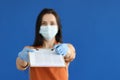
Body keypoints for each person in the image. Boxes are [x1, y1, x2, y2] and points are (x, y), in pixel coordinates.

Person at [16, 8, 76, 80]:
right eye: (44, 24)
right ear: (39, 27)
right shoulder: (31, 50)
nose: (48, 27)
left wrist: (67, 50)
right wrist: (22, 58)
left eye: (52, 23)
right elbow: (20, 65)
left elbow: (71, 53)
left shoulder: (63, 48)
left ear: (58, 27)